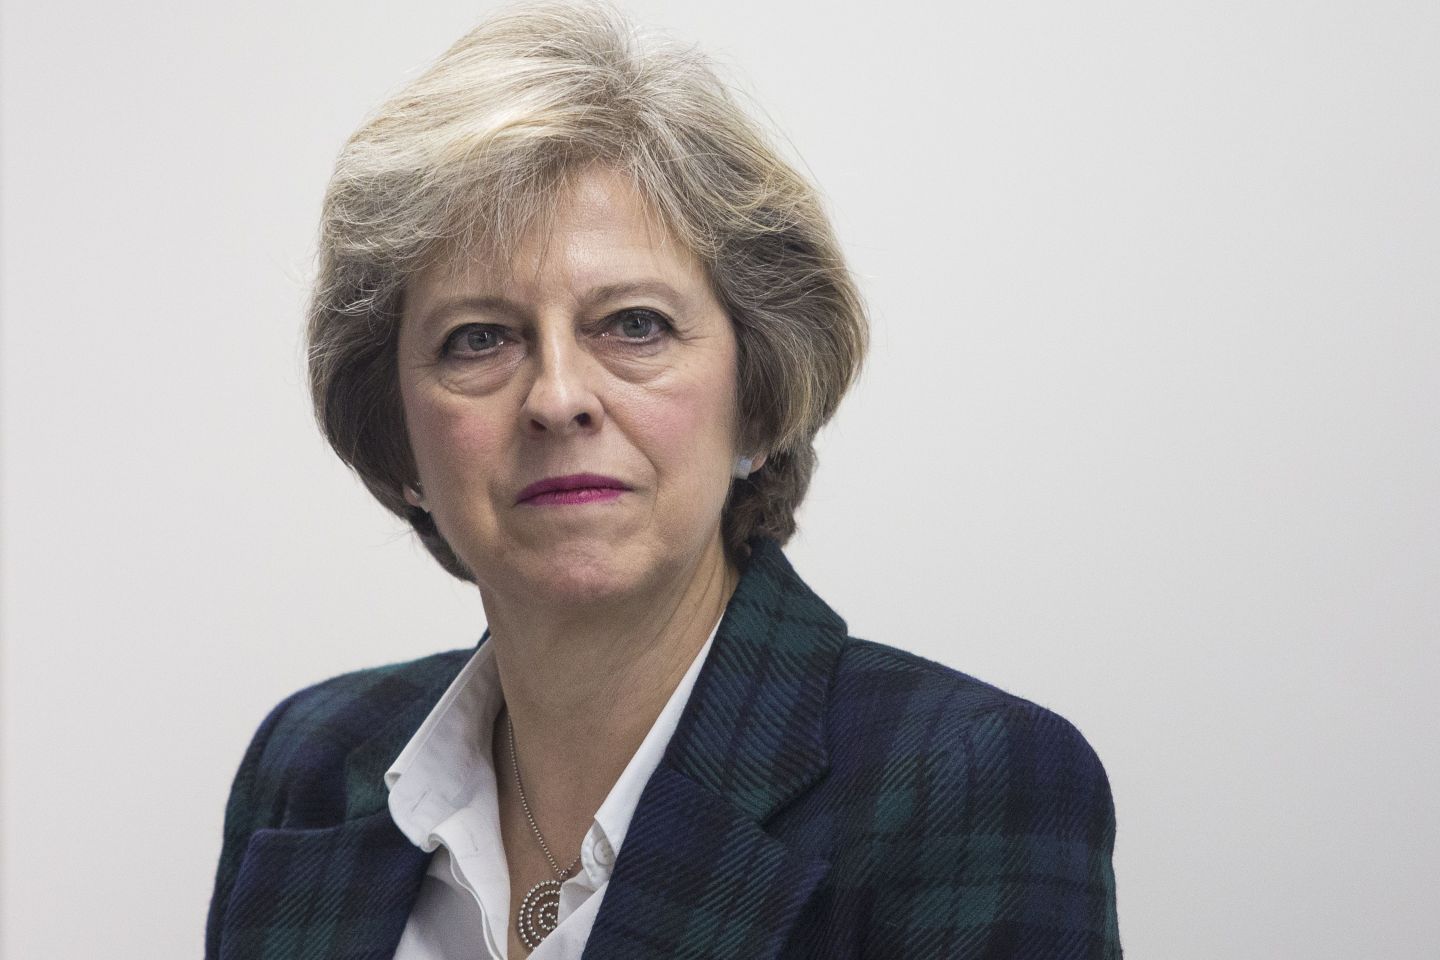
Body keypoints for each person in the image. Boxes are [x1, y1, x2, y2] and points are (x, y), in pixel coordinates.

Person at [205, 3, 1121, 958]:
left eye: (634, 324)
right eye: (479, 339)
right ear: (399, 444)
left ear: (759, 402)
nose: (558, 398)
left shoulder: (964, 785)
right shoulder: (308, 767)